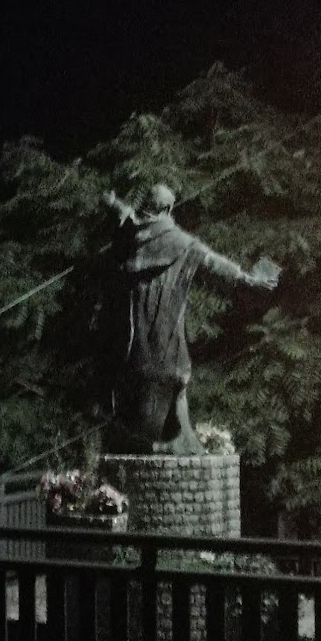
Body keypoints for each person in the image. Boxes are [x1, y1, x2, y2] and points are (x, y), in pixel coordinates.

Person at [100, 183, 279, 454]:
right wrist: (247, 279)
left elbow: (128, 217)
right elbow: (214, 263)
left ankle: (157, 437)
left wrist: (113, 203)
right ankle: (165, 440)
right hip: (164, 335)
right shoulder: (181, 244)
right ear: (168, 209)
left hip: (134, 338)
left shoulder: (132, 238)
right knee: (173, 375)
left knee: (146, 378)